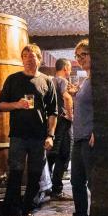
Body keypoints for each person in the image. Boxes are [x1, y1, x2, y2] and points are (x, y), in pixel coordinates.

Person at [0, 44, 57, 216]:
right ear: (22, 59)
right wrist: (16, 104)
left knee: (35, 175)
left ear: (40, 59)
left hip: (38, 137)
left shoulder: (47, 81)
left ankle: (28, 211)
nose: (29, 59)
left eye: (33, 56)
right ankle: (12, 215)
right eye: (26, 56)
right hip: (18, 135)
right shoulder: (13, 79)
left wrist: (50, 135)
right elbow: (0, 106)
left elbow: (53, 112)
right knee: (15, 174)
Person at [61, 39, 93, 216]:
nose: (80, 59)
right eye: (77, 56)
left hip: (89, 136)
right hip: (79, 136)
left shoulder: (99, 78)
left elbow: (104, 106)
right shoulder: (87, 80)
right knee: (76, 181)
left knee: (92, 184)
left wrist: (97, 131)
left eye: (84, 55)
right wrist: (75, 95)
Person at [47, 58, 74, 201]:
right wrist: (71, 116)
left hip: (53, 120)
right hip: (63, 121)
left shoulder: (50, 80)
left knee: (53, 153)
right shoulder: (62, 81)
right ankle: (56, 189)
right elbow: (67, 98)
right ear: (65, 68)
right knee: (64, 154)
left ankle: (47, 185)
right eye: (69, 68)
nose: (70, 71)